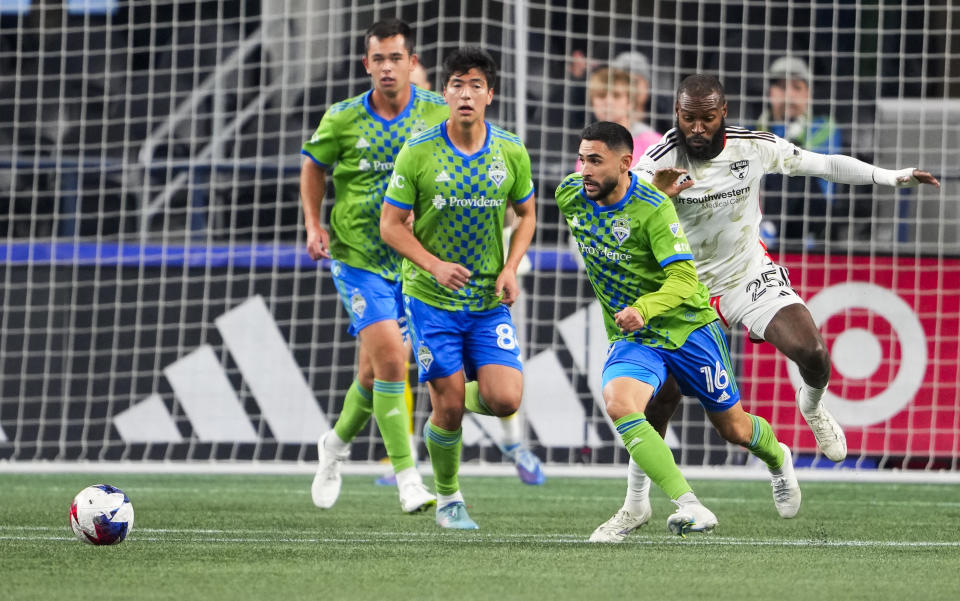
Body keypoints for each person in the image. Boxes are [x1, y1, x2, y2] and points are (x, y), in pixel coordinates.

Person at [593, 74, 940, 539]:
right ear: (675, 114)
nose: (695, 128)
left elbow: (823, 164)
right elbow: (621, 226)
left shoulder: (753, 146)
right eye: (686, 117)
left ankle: (812, 407)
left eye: (706, 118)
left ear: (724, 114)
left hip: (745, 276)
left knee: (814, 353)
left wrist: (890, 177)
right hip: (684, 292)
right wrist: (657, 196)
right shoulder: (656, 164)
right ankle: (636, 504)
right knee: (662, 406)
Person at [559, 121, 800, 542]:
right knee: (620, 403)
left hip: (688, 328)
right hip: (636, 338)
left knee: (734, 430)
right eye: (581, 159)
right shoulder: (570, 196)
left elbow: (687, 282)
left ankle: (779, 457)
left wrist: (644, 307)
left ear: (625, 163)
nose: (584, 170)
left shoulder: (654, 208)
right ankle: (675, 504)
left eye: (595, 161)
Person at [380, 47, 538, 529]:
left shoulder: (509, 150)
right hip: (431, 300)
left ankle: (448, 392)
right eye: (455, 85)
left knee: (506, 399)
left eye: (475, 86)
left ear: (490, 94)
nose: (464, 94)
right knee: (447, 408)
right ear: (444, 93)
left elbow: (528, 214)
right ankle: (449, 498)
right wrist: (433, 265)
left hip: (488, 300)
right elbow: (390, 225)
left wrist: (512, 267)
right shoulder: (419, 151)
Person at [299, 19, 445, 514]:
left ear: (412, 63)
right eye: (377, 59)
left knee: (370, 373)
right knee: (390, 362)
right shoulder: (342, 119)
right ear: (367, 64)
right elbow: (313, 167)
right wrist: (312, 224)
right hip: (357, 256)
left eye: (395, 58)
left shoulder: (437, 114)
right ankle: (407, 478)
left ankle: (334, 446)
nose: (387, 67)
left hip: (412, 260)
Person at [755, 57, 843, 247]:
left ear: (808, 94)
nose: (788, 96)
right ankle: (768, 227)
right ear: (770, 93)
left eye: (796, 87)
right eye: (781, 87)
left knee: (796, 162)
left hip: (812, 211)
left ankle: (770, 229)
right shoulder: (754, 131)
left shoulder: (824, 127)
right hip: (765, 205)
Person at [584, 67, 660, 166]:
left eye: (616, 96)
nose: (608, 102)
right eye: (601, 95)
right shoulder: (587, 144)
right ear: (592, 102)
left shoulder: (652, 143)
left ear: (630, 102)